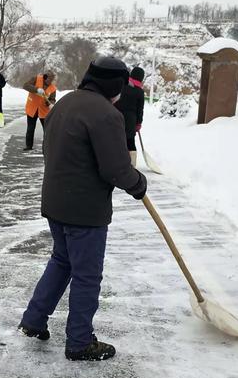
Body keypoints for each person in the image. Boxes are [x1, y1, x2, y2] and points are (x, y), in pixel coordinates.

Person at [18, 56, 147, 361]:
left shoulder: (63, 103)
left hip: (56, 202)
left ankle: (33, 320)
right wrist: (137, 183)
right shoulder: (106, 115)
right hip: (84, 211)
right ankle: (79, 341)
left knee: (61, 261)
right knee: (87, 276)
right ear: (114, 85)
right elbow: (115, 168)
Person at [114, 66, 145, 166]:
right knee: (130, 142)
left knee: (115, 140)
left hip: (116, 117)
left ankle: (115, 162)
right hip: (130, 121)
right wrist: (138, 123)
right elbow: (140, 110)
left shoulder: (121, 85)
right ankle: (132, 165)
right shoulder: (139, 92)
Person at [22, 71, 57, 151]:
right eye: (49, 79)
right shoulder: (36, 79)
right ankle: (29, 146)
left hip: (43, 111)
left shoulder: (53, 88)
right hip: (32, 108)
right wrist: (36, 89)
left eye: (52, 80)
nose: (50, 81)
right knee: (30, 128)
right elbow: (25, 85)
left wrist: (51, 104)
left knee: (47, 130)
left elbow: (52, 99)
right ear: (45, 77)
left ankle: (47, 148)